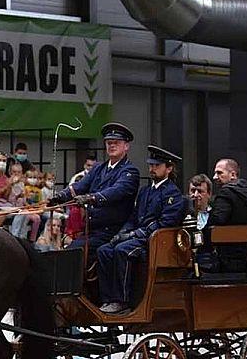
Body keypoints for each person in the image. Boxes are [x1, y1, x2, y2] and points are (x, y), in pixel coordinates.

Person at [96, 145, 184, 314]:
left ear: (169, 168)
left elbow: (165, 223)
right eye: (151, 165)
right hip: (138, 237)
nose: (152, 169)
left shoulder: (173, 194)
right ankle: (107, 299)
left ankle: (122, 302)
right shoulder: (145, 191)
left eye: (157, 166)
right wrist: (122, 233)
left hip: (154, 240)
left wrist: (134, 234)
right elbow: (133, 217)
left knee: (122, 250)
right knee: (104, 250)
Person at [49, 122, 140, 261]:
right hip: (91, 229)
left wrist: (91, 198)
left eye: (116, 142)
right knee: (67, 248)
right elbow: (80, 186)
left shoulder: (130, 172)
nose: (111, 146)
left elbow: (115, 191)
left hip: (112, 231)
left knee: (74, 251)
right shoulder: (98, 168)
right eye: (109, 143)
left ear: (126, 146)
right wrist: (60, 197)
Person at [8, 167, 42, 241]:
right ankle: (15, 237)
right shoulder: (9, 184)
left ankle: (28, 239)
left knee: (36, 218)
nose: (16, 174)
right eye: (14, 172)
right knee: (24, 214)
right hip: (13, 208)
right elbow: (9, 199)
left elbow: (24, 201)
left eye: (19, 172)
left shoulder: (22, 185)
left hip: (24, 208)